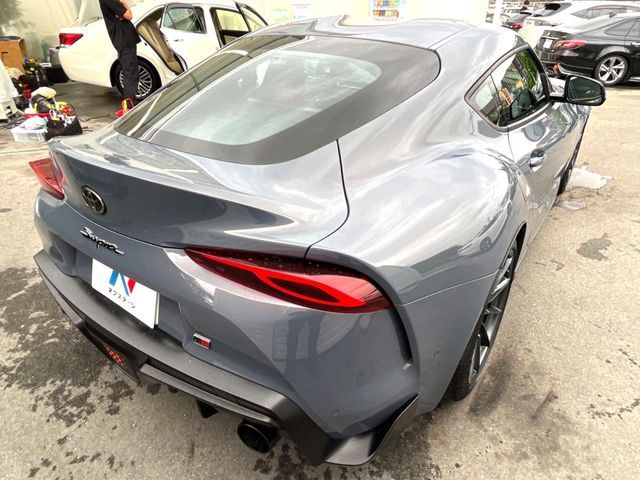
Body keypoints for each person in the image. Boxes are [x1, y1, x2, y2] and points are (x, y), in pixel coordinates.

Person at [99, 0, 140, 104]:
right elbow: (129, 15)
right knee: (130, 73)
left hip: (124, 40)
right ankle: (129, 104)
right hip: (124, 40)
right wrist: (124, 3)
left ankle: (129, 102)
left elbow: (126, 15)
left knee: (131, 71)